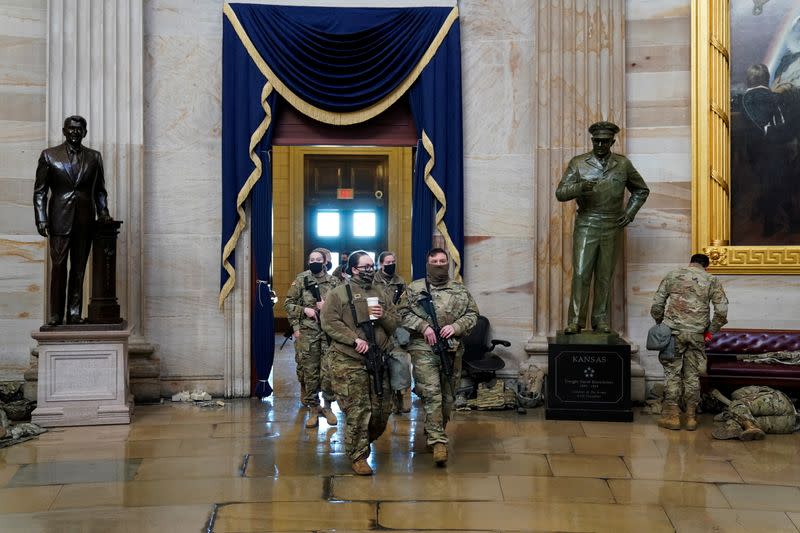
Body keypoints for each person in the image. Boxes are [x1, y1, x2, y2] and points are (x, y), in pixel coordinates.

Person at [556, 121, 649, 334]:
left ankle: (600, 320)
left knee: (605, 274)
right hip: (587, 222)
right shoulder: (579, 163)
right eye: (596, 141)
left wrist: (630, 213)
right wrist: (580, 187)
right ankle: (576, 321)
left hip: (611, 223)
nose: (600, 145)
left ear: (612, 142)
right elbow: (560, 193)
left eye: (604, 141)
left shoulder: (622, 164)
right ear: (592, 140)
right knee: (581, 272)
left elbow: (641, 190)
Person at [399, 248, 478, 466]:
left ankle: (434, 429)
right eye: (434, 261)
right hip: (423, 347)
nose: (439, 264)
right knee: (432, 393)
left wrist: (457, 326)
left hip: (452, 349)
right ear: (427, 263)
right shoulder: (415, 289)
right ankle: (438, 441)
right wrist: (423, 326)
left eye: (443, 260)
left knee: (448, 396)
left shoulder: (460, 289)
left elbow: (473, 314)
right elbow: (402, 313)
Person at [321, 250, 397, 475]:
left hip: (378, 359)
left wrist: (383, 314)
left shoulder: (380, 292)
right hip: (348, 360)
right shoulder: (338, 294)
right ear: (354, 269)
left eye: (372, 265)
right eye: (365, 266)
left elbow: (395, 325)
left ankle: (360, 441)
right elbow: (329, 321)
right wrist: (353, 339)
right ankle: (358, 455)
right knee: (358, 411)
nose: (370, 269)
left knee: (381, 412)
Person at [33, 115, 111, 325]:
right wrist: (41, 217)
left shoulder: (95, 157)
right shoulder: (49, 156)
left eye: (79, 129)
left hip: (85, 221)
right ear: (64, 131)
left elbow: (100, 191)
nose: (75, 132)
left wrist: (103, 212)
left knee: (79, 268)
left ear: (85, 132)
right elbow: (40, 191)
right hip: (59, 220)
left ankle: (74, 313)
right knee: (58, 267)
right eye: (71, 129)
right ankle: (56, 314)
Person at [650, 253, 729, 431]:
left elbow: (657, 305)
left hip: (672, 334)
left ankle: (672, 416)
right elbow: (722, 312)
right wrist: (710, 332)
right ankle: (691, 417)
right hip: (697, 335)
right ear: (706, 266)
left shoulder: (672, 275)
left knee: (672, 373)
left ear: (690, 263)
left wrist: (659, 323)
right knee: (692, 376)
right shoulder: (711, 279)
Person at [283, 248, 340, 428]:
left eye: (318, 259)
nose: (314, 261)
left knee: (329, 372)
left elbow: (344, 307)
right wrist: (303, 311)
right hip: (309, 334)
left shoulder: (334, 282)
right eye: (311, 259)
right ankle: (313, 410)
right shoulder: (302, 279)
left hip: (329, 334)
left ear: (325, 262)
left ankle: (328, 407)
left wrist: (327, 307)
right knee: (310, 373)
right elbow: (288, 304)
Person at [375, 251, 412, 413]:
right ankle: (387, 398)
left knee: (401, 362)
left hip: (397, 327)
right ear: (381, 264)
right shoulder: (373, 281)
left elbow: (406, 302)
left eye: (393, 261)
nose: (391, 265)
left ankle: (402, 394)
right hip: (378, 326)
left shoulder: (400, 282)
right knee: (382, 364)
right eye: (387, 262)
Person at [709, 386, 798, 441]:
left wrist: (729, 407)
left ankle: (747, 426)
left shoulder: (736, 393)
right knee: (743, 414)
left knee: (737, 405)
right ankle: (742, 427)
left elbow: (739, 403)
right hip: (789, 424)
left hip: (777, 402)